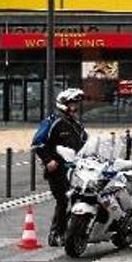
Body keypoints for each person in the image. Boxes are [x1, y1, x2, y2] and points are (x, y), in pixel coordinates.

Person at [30, 88, 88, 247]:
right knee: (63, 200)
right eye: (72, 104)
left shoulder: (76, 124)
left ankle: (75, 232)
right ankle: (56, 233)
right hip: (58, 170)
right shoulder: (53, 121)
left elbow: (86, 144)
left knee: (79, 199)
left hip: (76, 170)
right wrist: (49, 160)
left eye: (76, 104)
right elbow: (38, 143)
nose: (75, 107)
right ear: (63, 104)